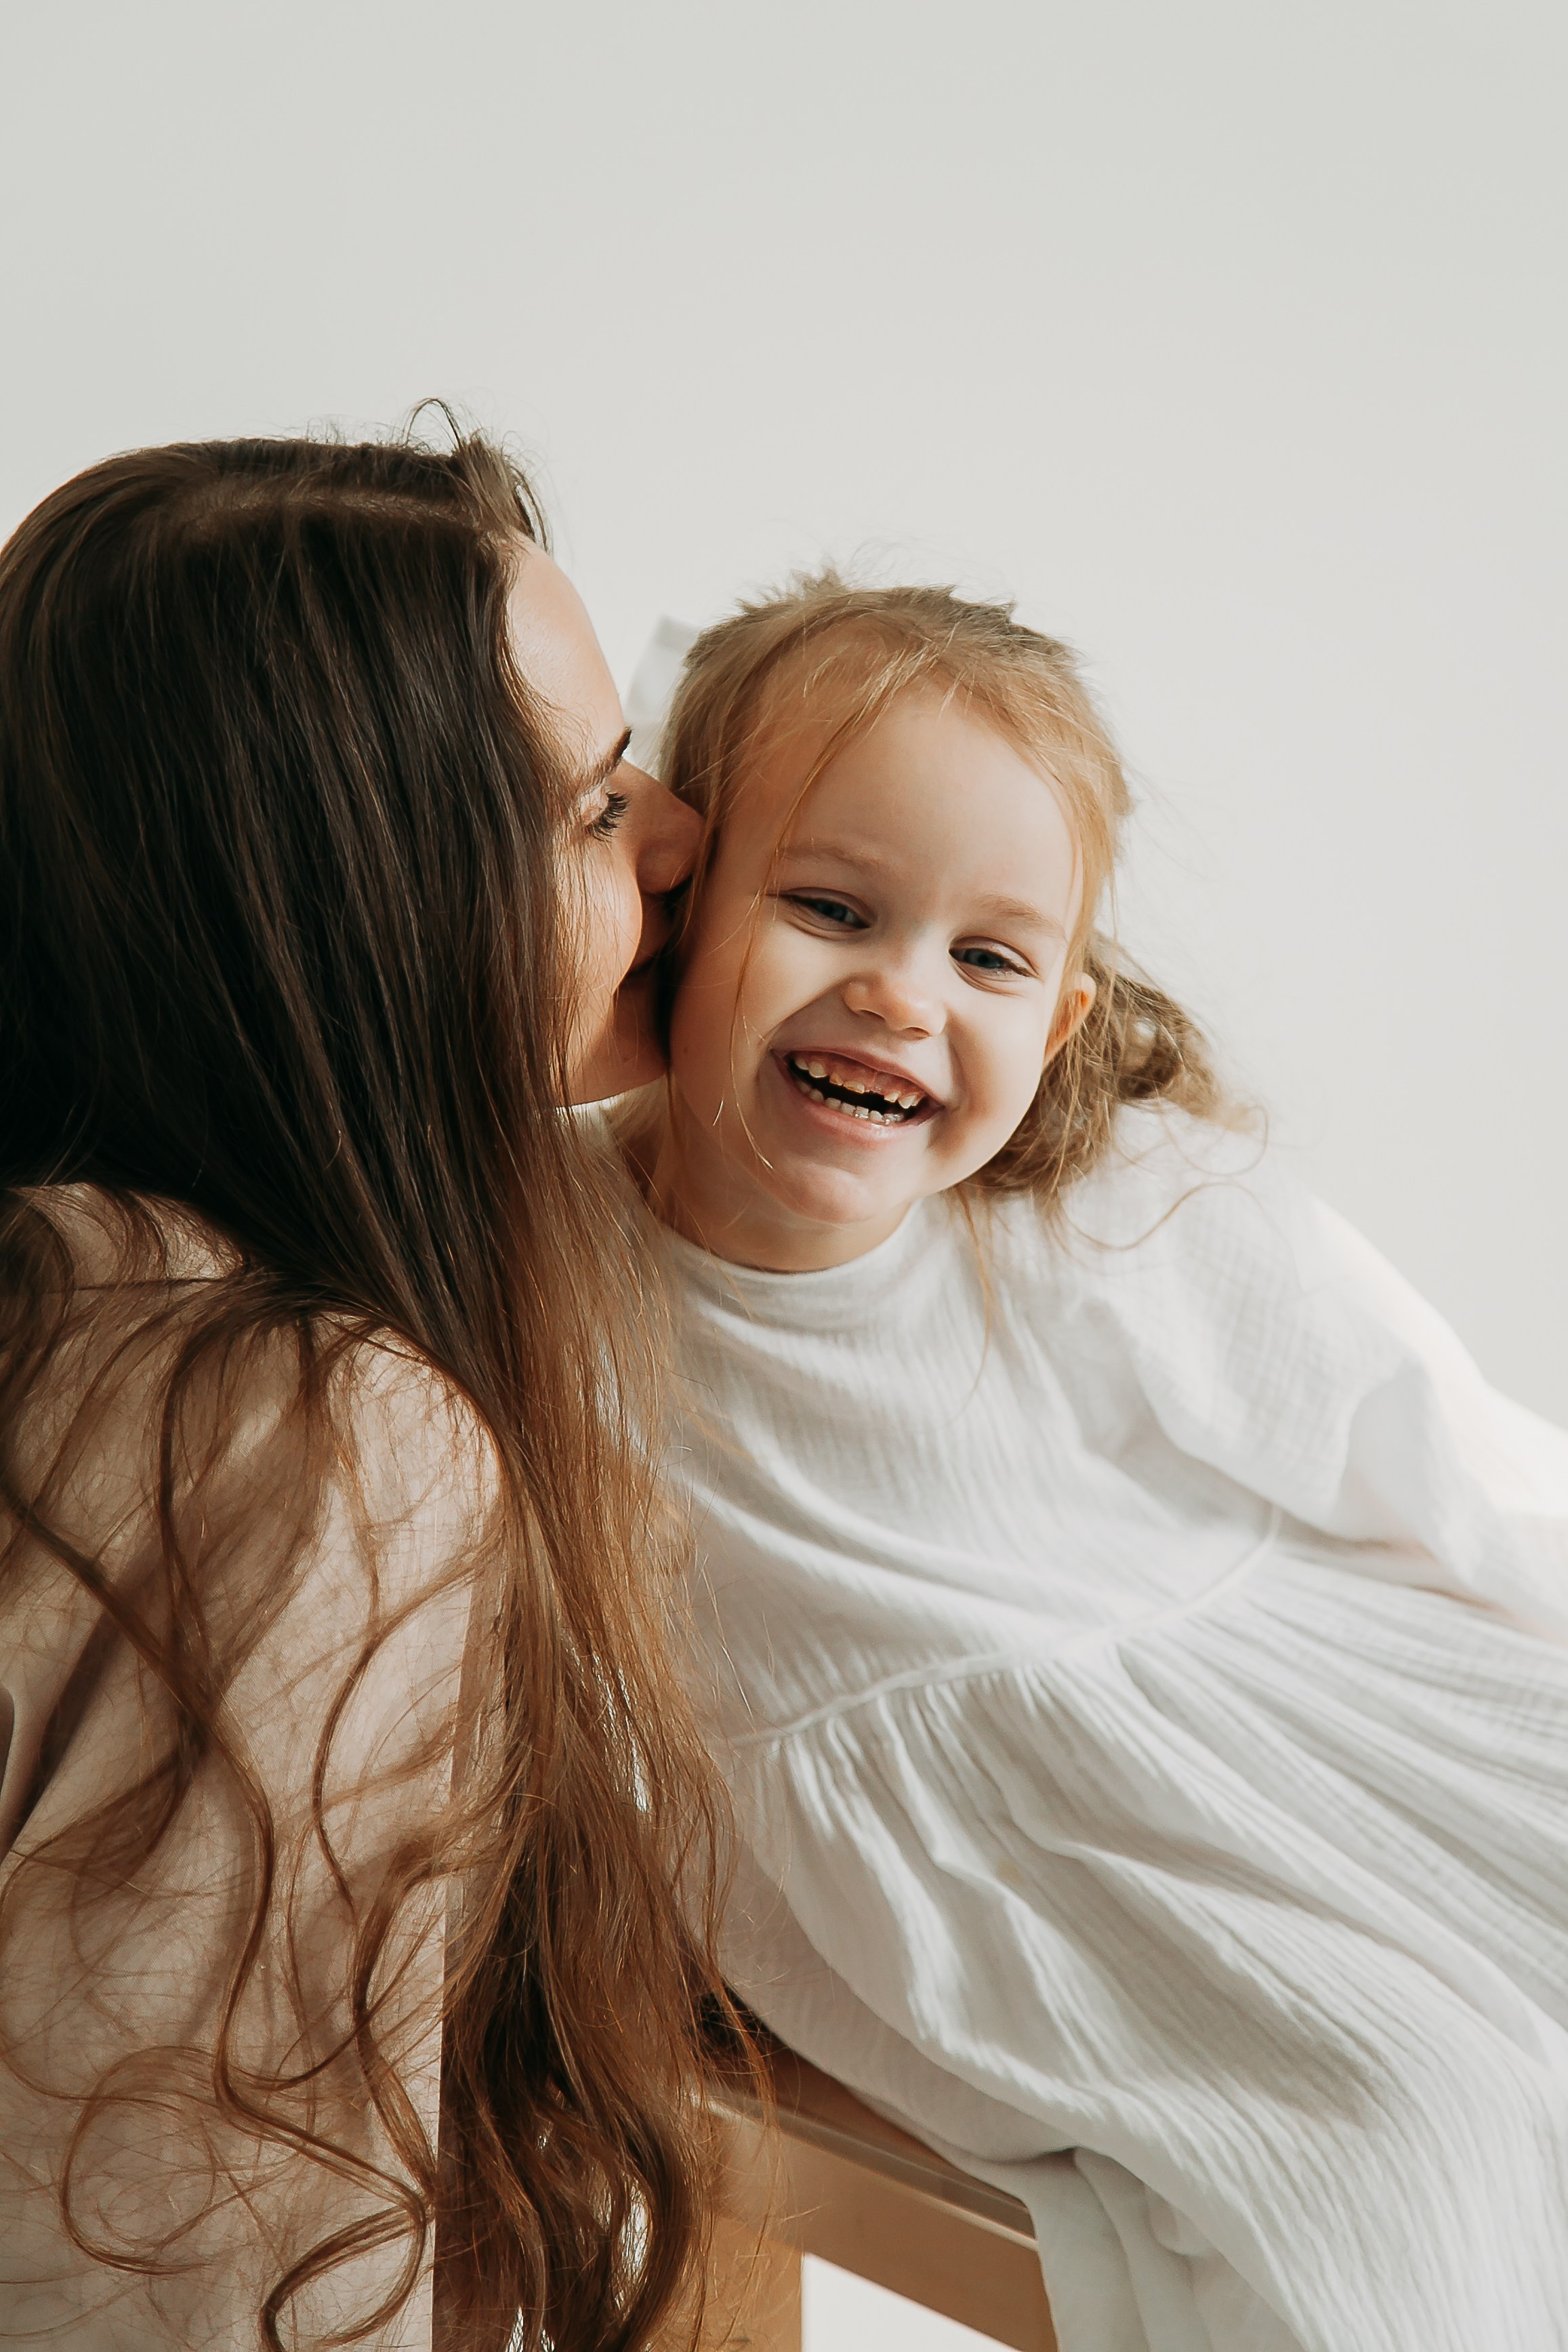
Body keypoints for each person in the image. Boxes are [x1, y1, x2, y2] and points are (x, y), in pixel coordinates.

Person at [622, 573, 1568, 2352]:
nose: (902, 995)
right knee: (1416, 2127)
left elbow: (1425, 1446)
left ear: (1056, 1017)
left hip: (1328, 1709)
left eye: (985, 957)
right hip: (1020, 1860)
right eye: (831, 908)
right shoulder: (543, 1255)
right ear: (673, 910)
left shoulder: (1097, 1205)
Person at [0, 429, 734, 2351]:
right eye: (587, 811)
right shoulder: (304, 1437)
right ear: (357, 902)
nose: (679, 841)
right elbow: (177, 2286)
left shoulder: (73, 1299)